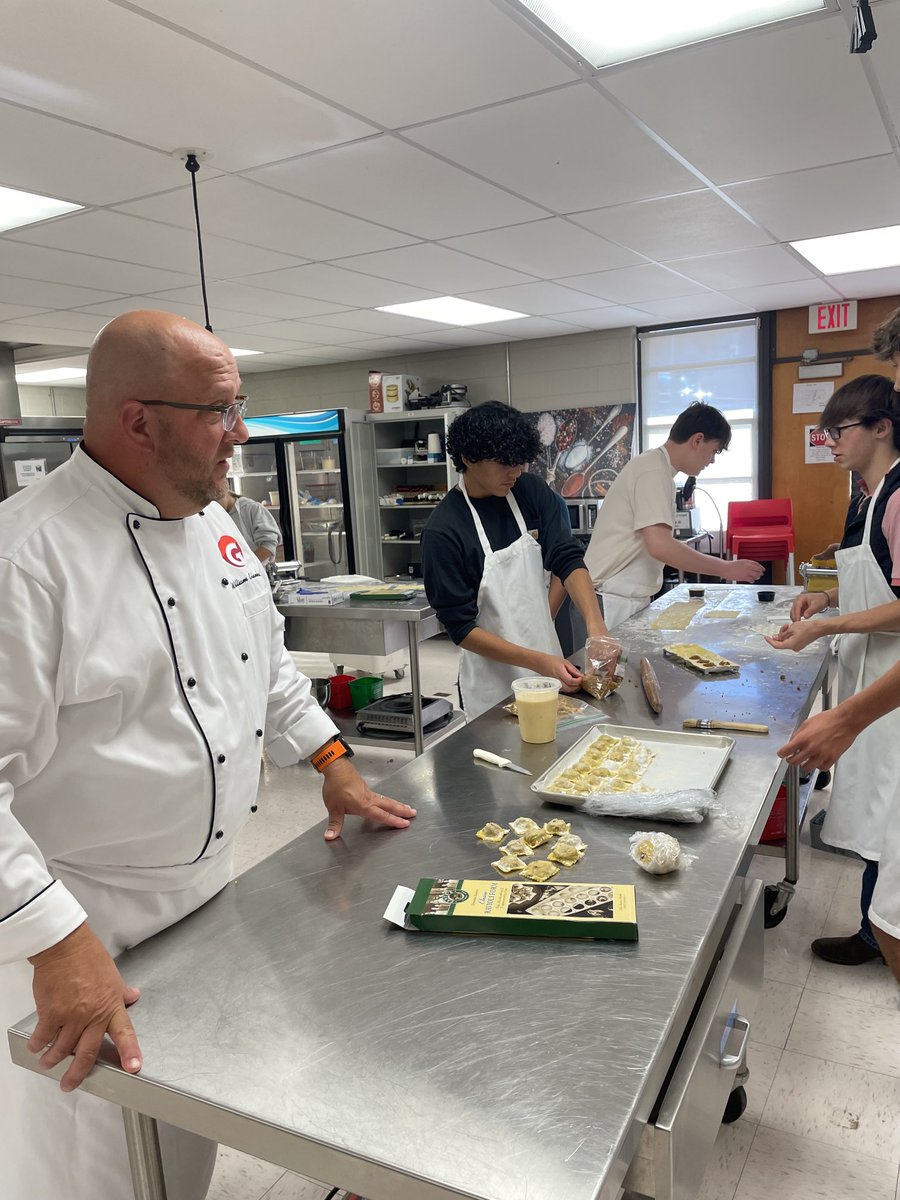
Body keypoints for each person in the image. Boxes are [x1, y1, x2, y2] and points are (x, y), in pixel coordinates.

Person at [0, 310, 416, 1200]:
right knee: (97, 1162)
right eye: (221, 410)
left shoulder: (215, 527)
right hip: (84, 917)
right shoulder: (26, 559)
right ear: (138, 420)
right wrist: (49, 937)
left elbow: (265, 667)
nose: (243, 432)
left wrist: (333, 759)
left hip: (206, 898)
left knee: (185, 1132)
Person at [768, 372, 900, 965]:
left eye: (839, 432)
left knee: (887, 813)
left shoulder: (899, 497)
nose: (832, 444)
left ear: (881, 428)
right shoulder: (868, 496)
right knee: (876, 808)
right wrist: (827, 598)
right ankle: (873, 931)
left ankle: (881, 933)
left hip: (889, 685)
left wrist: (826, 625)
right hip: (870, 668)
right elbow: (878, 583)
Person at [421, 401, 617, 720]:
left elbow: (566, 557)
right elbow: (461, 628)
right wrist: (537, 661)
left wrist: (597, 628)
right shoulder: (444, 531)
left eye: (520, 463)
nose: (515, 473)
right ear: (469, 459)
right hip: (493, 684)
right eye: (504, 464)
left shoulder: (529, 492)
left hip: (549, 664)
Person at [583, 402, 764, 629]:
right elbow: (660, 545)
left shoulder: (658, 468)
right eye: (714, 451)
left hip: (619, 595)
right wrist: (725, 568)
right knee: (609, 665)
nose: (712, 460)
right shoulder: (653, 469)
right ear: (697, 440)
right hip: (608, 599)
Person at [217, 487, 282, 562]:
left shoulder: (252, 508)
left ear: (225, 491)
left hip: (255, 570)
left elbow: (268, 546)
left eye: (213, 501)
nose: (211, 507)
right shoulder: (213, 516)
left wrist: (247, 567)